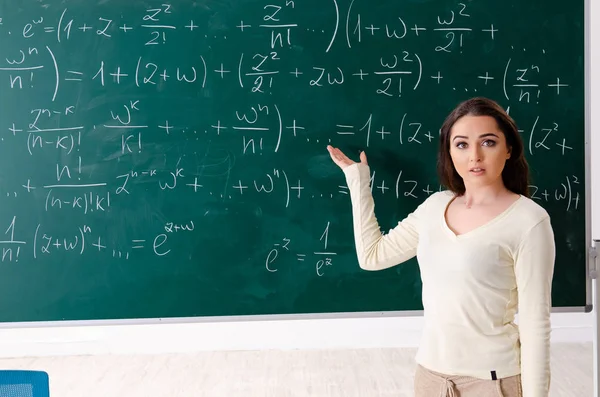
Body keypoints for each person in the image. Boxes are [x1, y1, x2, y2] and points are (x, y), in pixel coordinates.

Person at [326, 97, 555, 397]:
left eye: (488, 142)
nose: (474, 156)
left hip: (493, 381)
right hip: (430, 378)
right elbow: (373, 256)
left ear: (508, 149)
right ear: (449, 152)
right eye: (461, 144)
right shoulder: (434, 207)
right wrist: (358, 181)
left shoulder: (529, 221)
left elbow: (535, 325)